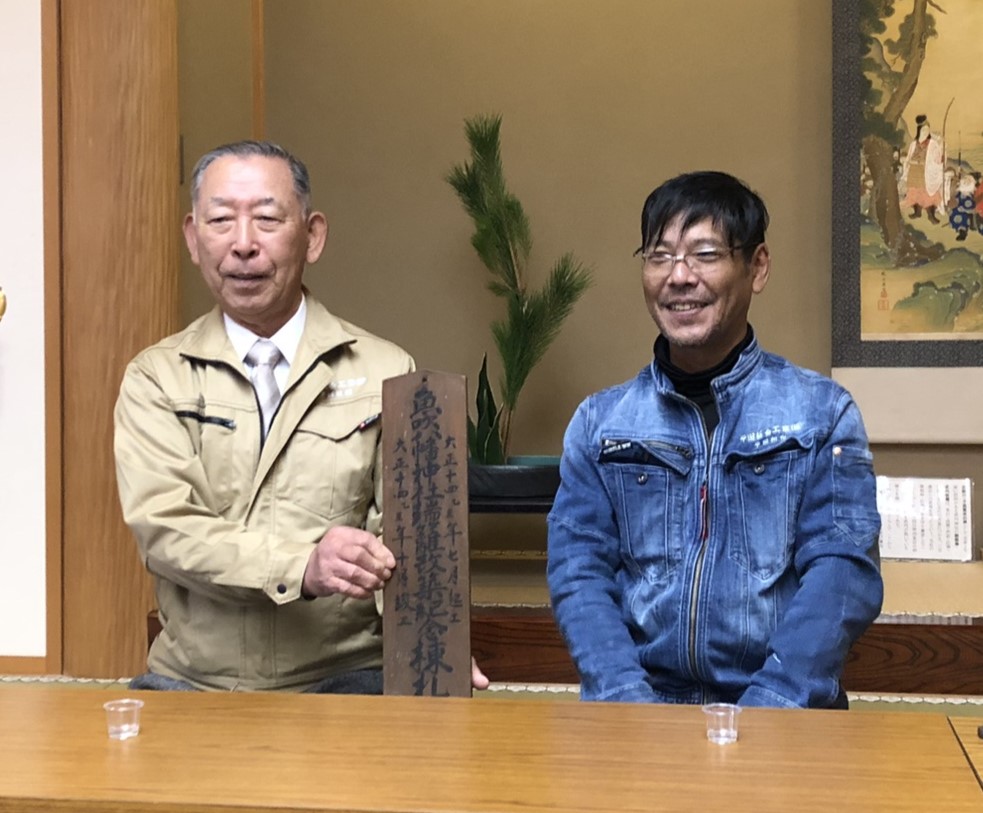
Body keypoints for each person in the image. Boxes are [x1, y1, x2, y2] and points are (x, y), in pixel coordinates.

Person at [115, 140, 488, 693]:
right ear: (193, 238)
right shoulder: (157, 377)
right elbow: (166, 527)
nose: (243, 244)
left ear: (312, 236)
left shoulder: (388, 370)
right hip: (196, 682)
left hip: (346, 677)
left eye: (267, 219)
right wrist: (302, 566)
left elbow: (407, 541)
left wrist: (436, 646)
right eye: (221, 220)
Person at [546, 171, 883, 709]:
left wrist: (768, 708)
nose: (679, 277)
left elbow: (842, 574)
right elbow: (578, 573)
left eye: (705, 254)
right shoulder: (600, 424)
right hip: (639, 713)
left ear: (757, 267)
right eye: (660, 256)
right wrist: (628, 706)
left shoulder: (821, 414)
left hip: (785, 712)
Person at [900, 114, 945, 224]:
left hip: (926, 171)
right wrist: (908, 164)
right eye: (924, 130)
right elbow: (909, 157)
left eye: (927, 130)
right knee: (914, 192)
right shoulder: (913, 144)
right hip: (914, 171)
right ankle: (917, 211)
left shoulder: (932, 144)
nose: (926, 132)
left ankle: (931, 215)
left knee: (928, 193)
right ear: (919, 130)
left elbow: (937, 156)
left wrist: (941, 147)